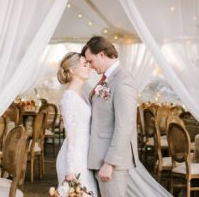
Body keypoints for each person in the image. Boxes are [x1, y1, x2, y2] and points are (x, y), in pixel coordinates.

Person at [82, 36, 139, 197]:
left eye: (91, 61)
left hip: (110, 161)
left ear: (101, 54)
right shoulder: (107, 79)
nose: (90, 66)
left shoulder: (123, 81)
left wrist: (110, 163)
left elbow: (125, 126)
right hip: (98, 156)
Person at [55, 52, 98, 195]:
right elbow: (71, 136)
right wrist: (70, 170)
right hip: (74, 159)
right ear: (72, 70)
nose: (89, 67)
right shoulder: (69, 97)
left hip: (84, 155)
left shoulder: (82, 94)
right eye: (84, 65)